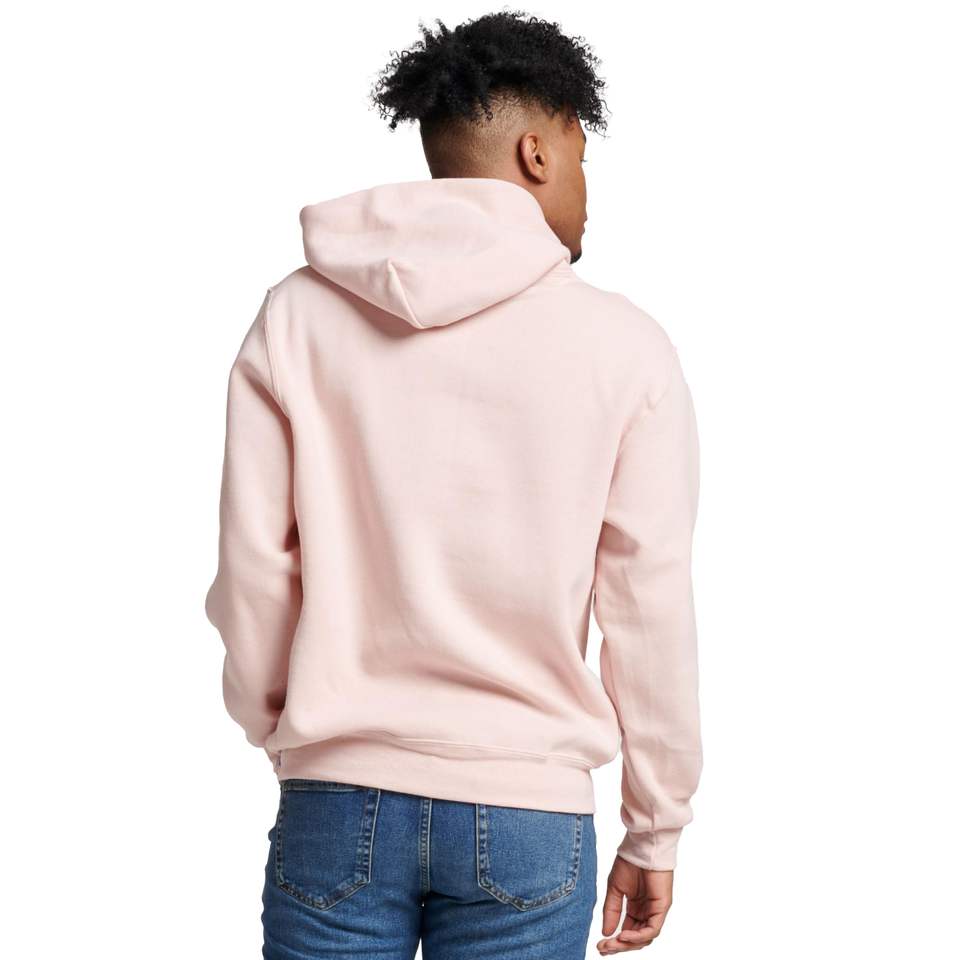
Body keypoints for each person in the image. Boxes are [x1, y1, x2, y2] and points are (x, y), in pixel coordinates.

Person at [205, 11, 703, 959]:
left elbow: (255, 569)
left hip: (334, 798)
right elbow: (649, 607)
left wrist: (298, 735)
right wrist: (656, 826)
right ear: (537, 150)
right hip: (529, 813)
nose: (588, 189)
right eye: (581, 152)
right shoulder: (625, 348)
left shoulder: (296, 317)